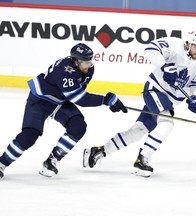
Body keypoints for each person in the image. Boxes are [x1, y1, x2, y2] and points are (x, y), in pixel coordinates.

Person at [83, 31, 196, 177]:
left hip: (168, 100)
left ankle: (98, 151)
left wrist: (195, 98)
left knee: (138, 131)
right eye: (195, 47)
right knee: (166, 123)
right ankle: (142, 160)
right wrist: (164, 66)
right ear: (187, 44)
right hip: (155, 89)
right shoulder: (174, 45)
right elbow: (150, 49)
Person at [0, 43, 127, 179]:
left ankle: (51, 161)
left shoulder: (89, 69)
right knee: (30, 135)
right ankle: (2, 163)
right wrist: (105, 100)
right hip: (42, 99)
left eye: (91, 60)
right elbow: (79, 98)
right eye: (86, 62)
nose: (90, 65)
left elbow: (77, 92)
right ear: (75, 61)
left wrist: (106, 100)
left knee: (78, 126)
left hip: (60, 100)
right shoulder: (64, 71)